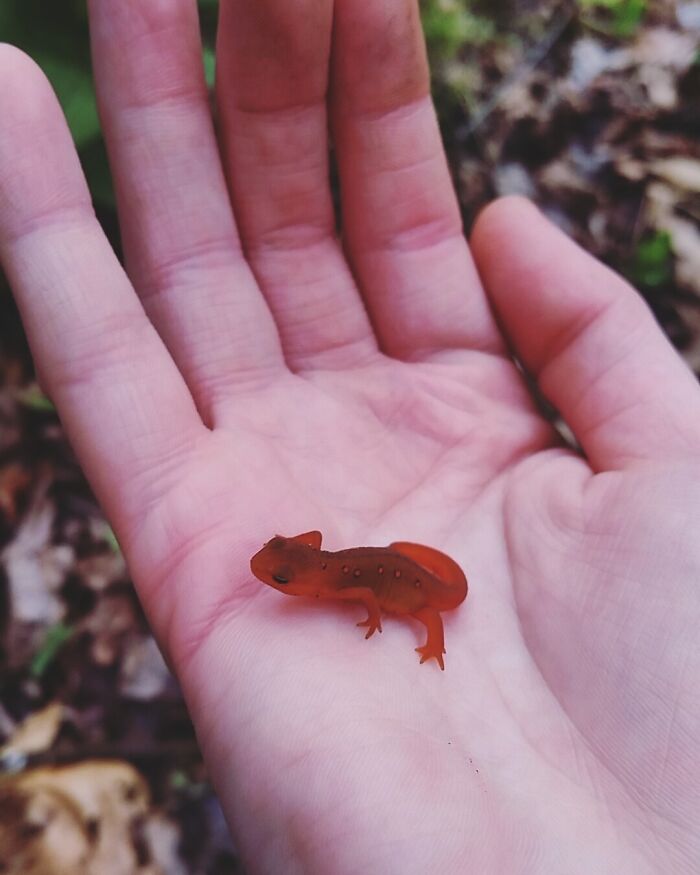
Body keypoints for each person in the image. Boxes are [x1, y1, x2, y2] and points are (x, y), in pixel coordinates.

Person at [1, 1, 698, 872]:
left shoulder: (341, 590)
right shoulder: (319, 568)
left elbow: (375, 593)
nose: (273, 576)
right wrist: (311, 555)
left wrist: (423, 630)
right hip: (384, 561)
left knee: (411, 597)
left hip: (421, 591)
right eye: (280, 565)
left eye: (279, 571)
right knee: (392, 573)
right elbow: (322, 556)